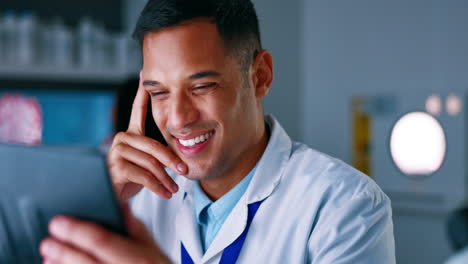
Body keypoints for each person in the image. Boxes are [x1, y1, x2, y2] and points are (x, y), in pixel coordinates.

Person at [39, 0, 396, 263]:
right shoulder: (134, 199)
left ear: (260, 76)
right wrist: (92, 202)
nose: (178, 119)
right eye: (159, 92)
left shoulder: (344, 205)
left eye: (201, 86)